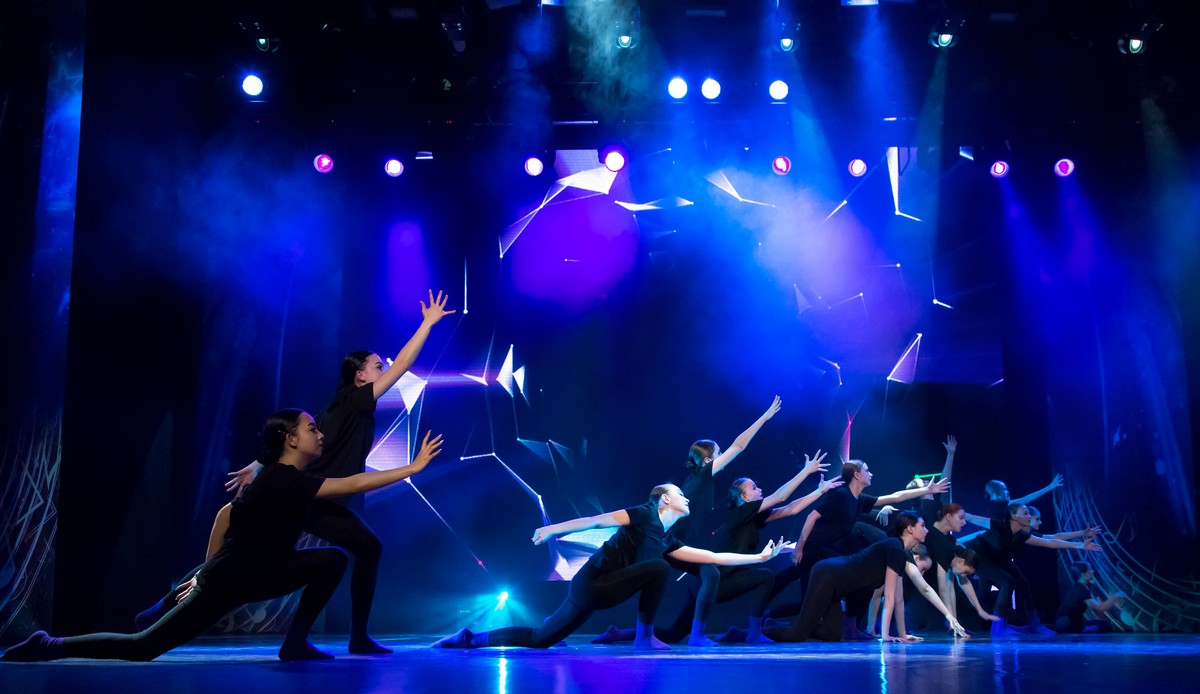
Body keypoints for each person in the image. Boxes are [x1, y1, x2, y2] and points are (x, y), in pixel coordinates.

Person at [2, 410, 444, 663]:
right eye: (312, 428)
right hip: (232, 582)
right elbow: (350, 484)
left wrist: (205, 567)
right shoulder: (281, 478)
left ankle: (295, 643)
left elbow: (226, 515)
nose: (320, 434)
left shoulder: (278, 478)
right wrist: (413, 467)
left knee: (332, 559)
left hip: (265, 573)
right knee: (143, 648)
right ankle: (49, 644)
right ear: (290, 439)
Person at [227, 289, 455, 654]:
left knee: (363, 549)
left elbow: (297, 439)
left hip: (316, 499)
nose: (384, 370)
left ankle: (326, 638)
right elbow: (401, 367)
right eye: (377, 366)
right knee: (360, 549)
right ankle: (340, 638)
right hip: (313, 500)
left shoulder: (342, 408)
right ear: (360, 376)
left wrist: (257, 464)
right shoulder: (352, 399)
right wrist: (427, 324)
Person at [431, 483, 788, 650]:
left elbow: (713, 558)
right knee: (659, 568)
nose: (687, 498)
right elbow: (595, 520)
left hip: (597, 591)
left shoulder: (666, 540)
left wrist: (760, 558)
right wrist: (552, 529)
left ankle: (470, 639)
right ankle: (644, 639)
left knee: (541, 639)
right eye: (681, 494)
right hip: (592, 584)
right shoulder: (643, 514)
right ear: (665, 500)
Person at [592, 398, 783, 647]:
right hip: (666, 542)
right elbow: (738, 446)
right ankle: (697, 635)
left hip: (672, 543)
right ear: (708, 461)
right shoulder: (702, 475)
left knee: (704, 578)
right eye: (719, 453)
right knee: (708, 572)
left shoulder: (697, 480)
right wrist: (764, 418)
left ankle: (621, 633)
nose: (723, 456)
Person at [768, 460, 950, 638]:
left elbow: (896, 496)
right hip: (815, 551)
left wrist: (927, 490)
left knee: (840, 601)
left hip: (830, 554)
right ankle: (771, 623)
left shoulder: (859, 499)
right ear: (856, 475)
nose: (871, 474)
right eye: (867, 470)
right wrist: (799, 548)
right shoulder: (841, 495)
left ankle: (849, 626)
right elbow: (811, 517)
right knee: (809, 604)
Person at [764, 513, 969, 642]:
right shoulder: (894, 547)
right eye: (922, 526)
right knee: (798, 635)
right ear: (909, 529)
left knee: (832, 634)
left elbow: (900, 598)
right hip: (827, 574)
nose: (926, 530)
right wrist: (886, 635)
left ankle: (785, 626)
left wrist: (903, 634)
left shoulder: (899, 553)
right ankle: (764, 629)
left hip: (836, 583)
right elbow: (889, 597)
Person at [966, 502, 1102, 637]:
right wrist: (956, 514)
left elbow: (1050, 541)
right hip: (979, 557)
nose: (1029, 517)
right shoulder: (1000, 525)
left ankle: (1034, 625)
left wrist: (1080, 545)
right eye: (1026, 514)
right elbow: (972, 517)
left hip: (999, 559)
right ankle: (998, 627)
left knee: (1023, 584)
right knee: (1005, 583)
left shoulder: (1022, 535)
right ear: (1014, 516)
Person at [1053, 562, 1127, 633]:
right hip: (1066, 625)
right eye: (1090, 570)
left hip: (1071, 623)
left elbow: (1097, 609)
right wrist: (1118, 595)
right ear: (1084, 575)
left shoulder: (1079, 587)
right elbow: (1100, 608)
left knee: (1103, 624)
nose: (1092, 571)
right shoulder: (1080, 590)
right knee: (1104, 626)